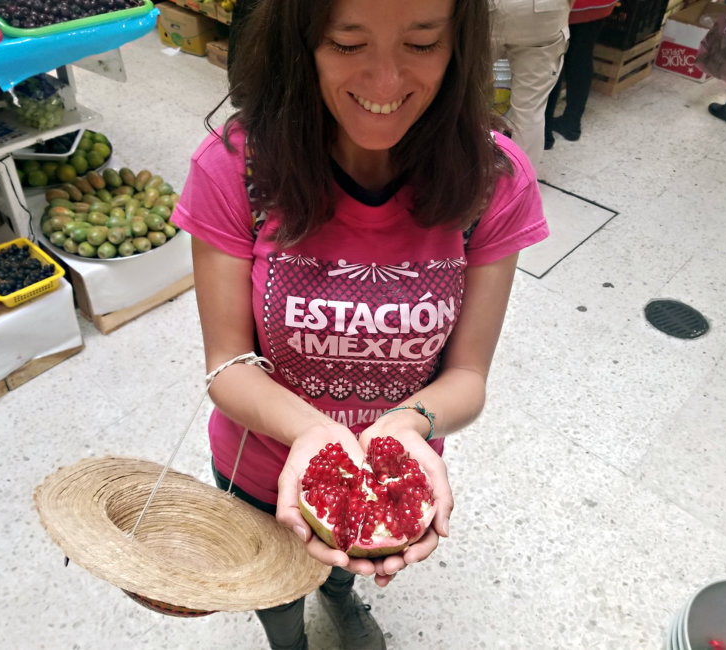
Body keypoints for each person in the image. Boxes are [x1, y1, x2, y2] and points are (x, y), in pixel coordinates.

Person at [172, 1, 549, 648]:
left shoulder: (493, 183)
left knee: (343, 573)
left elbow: (467, 377)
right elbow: (227, 365)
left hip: (397, 467)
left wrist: (404, 428)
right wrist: (315, 436)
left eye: (422, 43)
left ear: (460, 42)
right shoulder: (236, 168)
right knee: (275, 585)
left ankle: (343, 603)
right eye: (347, 44)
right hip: (259, 465)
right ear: (302, 42)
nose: (384, 83)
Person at [489, 0, 571, 167]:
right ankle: (521, 186)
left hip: (488, 8)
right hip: (545, 9)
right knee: (530, 110)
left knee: (466, 92)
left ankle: (461, 170)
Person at [544, 0, 618, 148]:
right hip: (600, 3)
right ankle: (572, 122)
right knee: (582, 54)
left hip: (569, 5)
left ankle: (543, 133)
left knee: (554, 58)